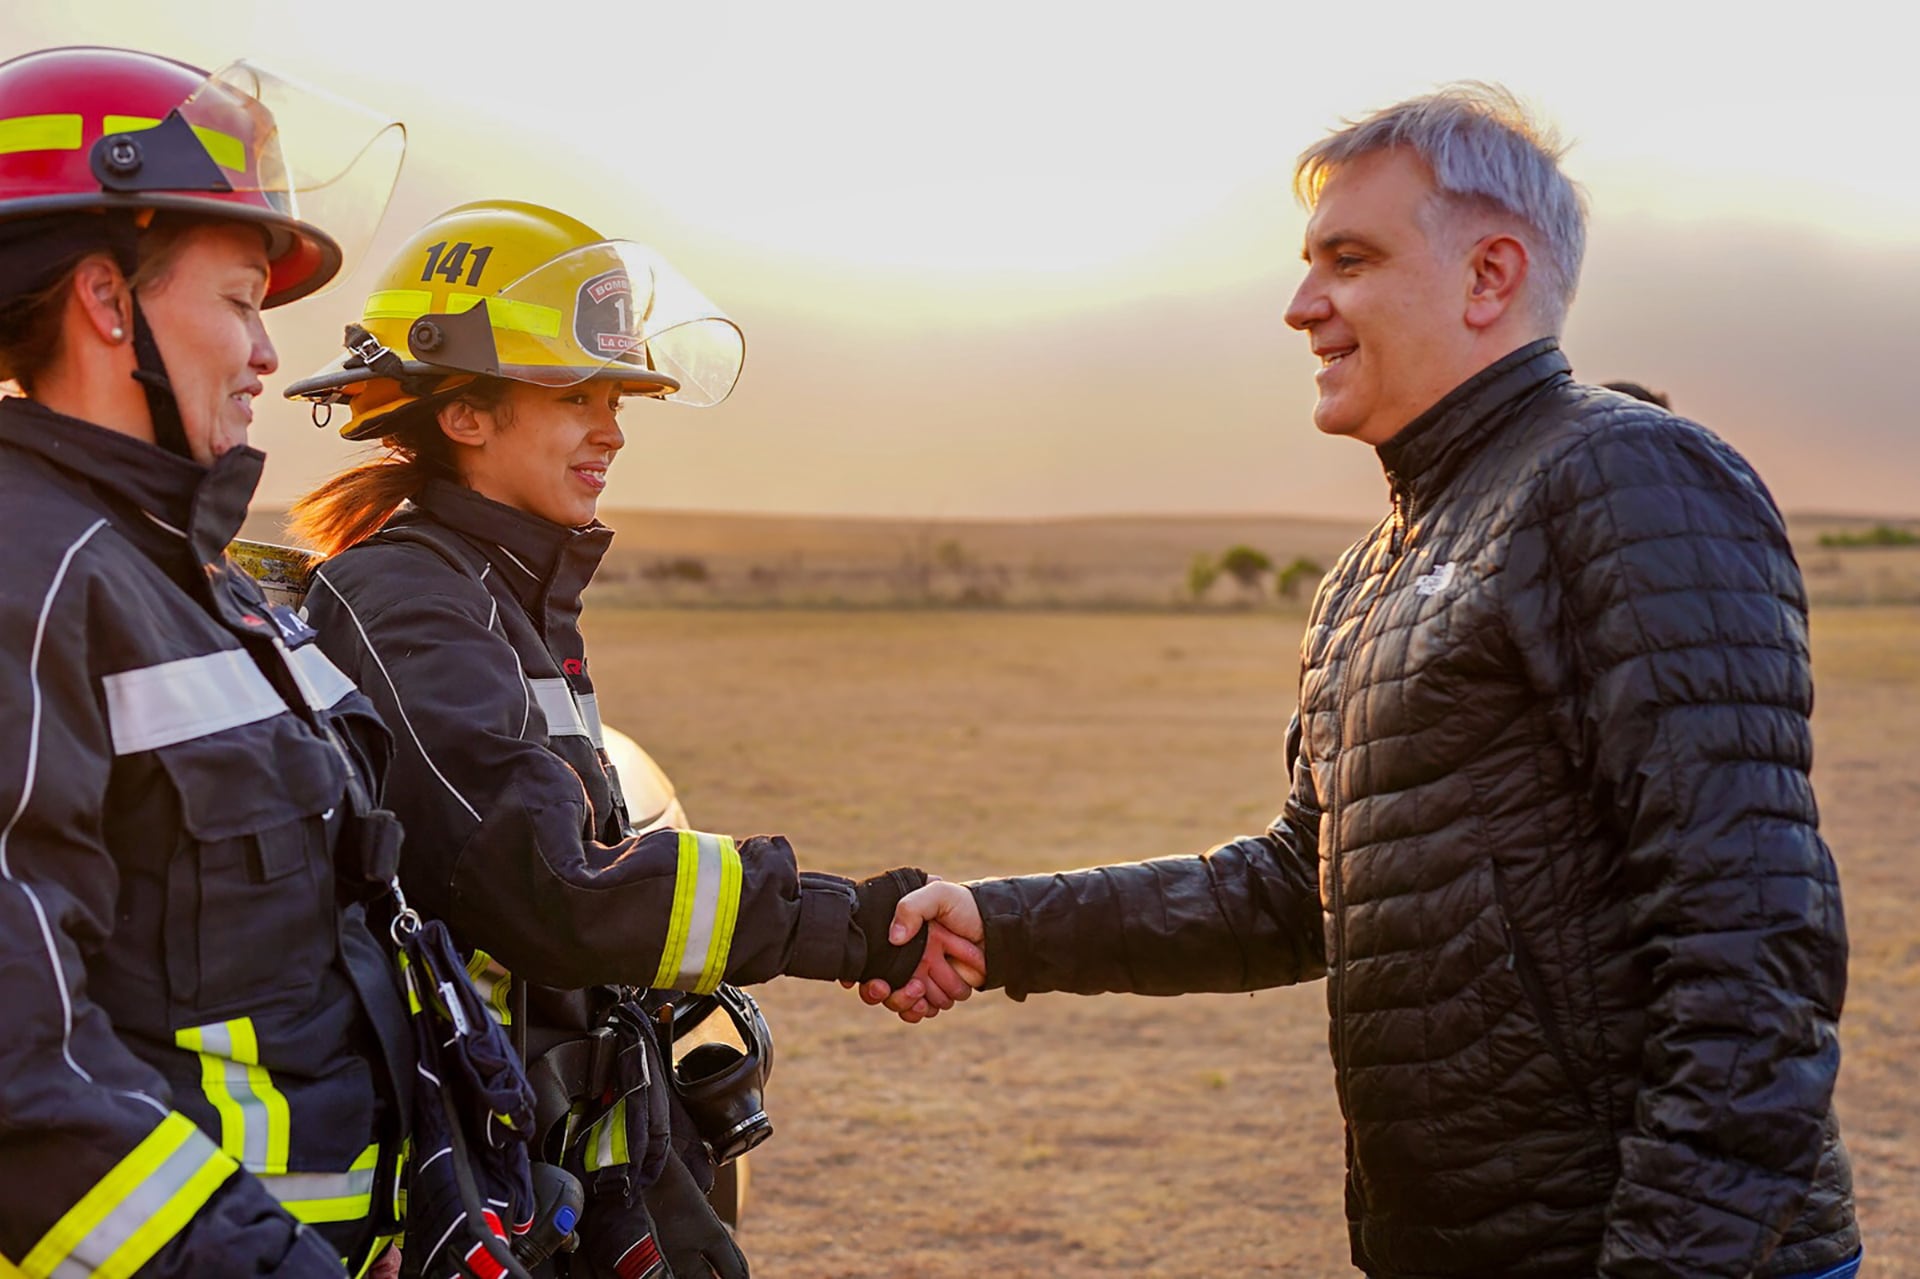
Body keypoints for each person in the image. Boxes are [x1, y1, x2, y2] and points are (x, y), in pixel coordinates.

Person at [873, 84, 1859, 1279]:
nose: (1300, 307)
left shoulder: (1626, 480)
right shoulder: (1372, 573)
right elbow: (1300, 889)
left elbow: (1754, 947)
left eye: (1349, 258)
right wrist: (1005, 922)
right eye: (1306, 263)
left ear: (1490, 277)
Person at [282, 200, 971, 1277]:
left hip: (572, 1145)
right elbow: (552, 886)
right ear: (464, 414)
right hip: (486, 1159)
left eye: (620, 396)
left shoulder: (502, 589)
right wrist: (847, 923)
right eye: (576, 395)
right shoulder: (408, 599)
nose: (611, 428)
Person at [0, 47, 415, 1277]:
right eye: (241, 300)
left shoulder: (198, 579)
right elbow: (21, 1065)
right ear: (107, 303)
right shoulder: (32, 576)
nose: (268, 356)